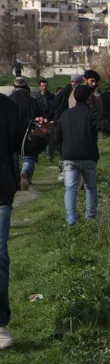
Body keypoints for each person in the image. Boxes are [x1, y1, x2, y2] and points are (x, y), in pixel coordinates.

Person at [49, 84, 110, 225]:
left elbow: (56, 137)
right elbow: (107, 127)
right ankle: (91, 218)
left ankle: (71, 222)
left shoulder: (65, 115)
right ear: (89, 98)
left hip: (69, 158)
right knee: (90, 188)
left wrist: (63, 151)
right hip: (88, 157)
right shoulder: (92, 114)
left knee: (70, 189)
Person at [0, 92, 49, 349]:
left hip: (0, 194)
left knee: (0, 257)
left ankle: (0, 325)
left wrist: (38, 136)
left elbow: (26, 147)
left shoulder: (7, 107)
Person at [8, 78, 43, 189]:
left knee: (14, 158)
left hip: (12, 133)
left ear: (14, 86)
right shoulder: (33, 101)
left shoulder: (8, 100)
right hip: (29, 133)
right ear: (26, 87)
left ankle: (17, 180)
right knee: (29, 157)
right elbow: (40, 117)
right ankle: (26, 173)